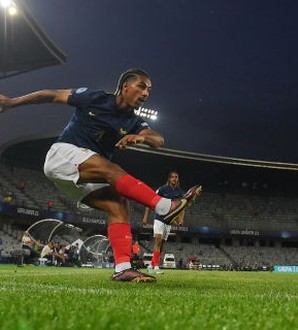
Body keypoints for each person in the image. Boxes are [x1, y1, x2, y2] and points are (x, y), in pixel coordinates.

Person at [0, 68, 201, 283]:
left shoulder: (133, 122)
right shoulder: (94, 98)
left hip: (81, 177)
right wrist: (13, 103)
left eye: (149, 91)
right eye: (141, 86)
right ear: (125, 86)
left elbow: (158, 139)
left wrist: (141, 138)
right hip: (62, 155)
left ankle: (122, 268)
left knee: (118, 204)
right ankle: (163, 206)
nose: (145, 94)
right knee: (111, 169)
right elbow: (51, 94)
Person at [142, 170, 199, 273]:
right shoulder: (162, 189)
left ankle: (151, 265)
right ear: (169, 179)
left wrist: (181, 218)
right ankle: (156, 267)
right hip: (159, 218)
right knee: (158, 240)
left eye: (176, 177)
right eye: (172, 177)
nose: (174, 179)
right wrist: (146, 217)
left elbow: (182, 206)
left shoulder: (180, 192)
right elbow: (150, 201)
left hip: (169, 221)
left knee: (162, 244)